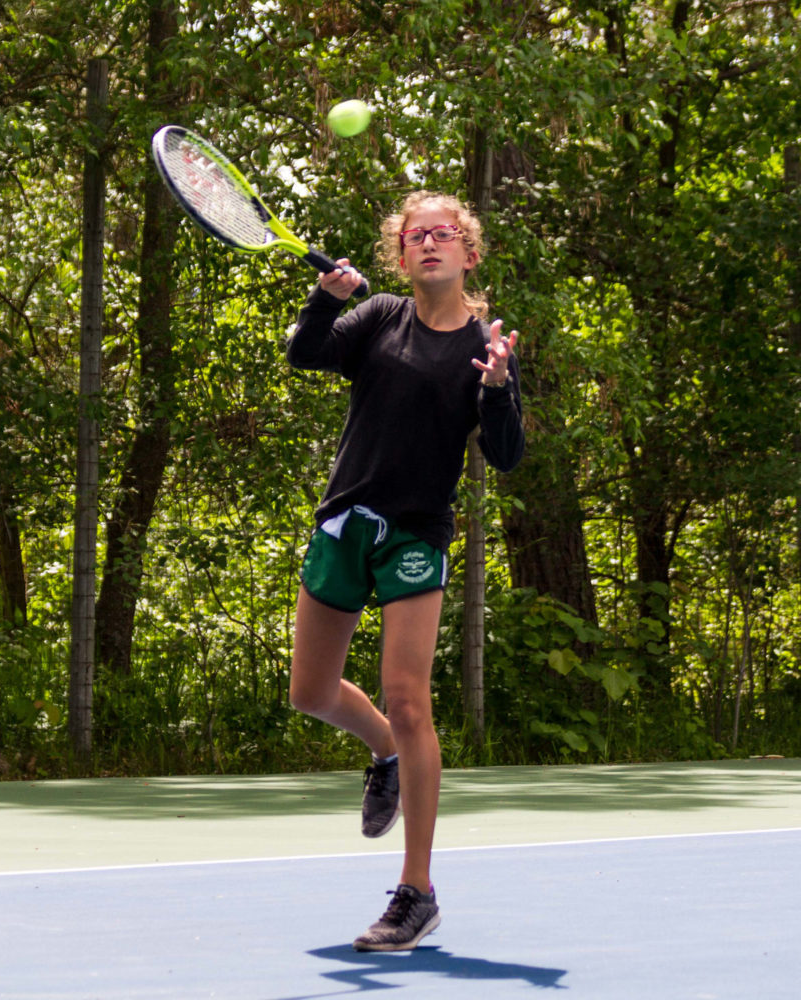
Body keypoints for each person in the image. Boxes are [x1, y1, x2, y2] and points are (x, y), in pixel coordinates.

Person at [284, 191, 525, 951]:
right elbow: (305, 353)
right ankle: (384, 751)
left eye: (443, 235)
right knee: (311, 694)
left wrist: (497, 393)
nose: (429, 244)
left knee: (409, 699)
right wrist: (324, 304)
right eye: (416, 236)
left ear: (469, 253)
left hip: (416, 534)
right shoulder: (379, 316)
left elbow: (509, 455)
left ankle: (416, 891)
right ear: (400, 255)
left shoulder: (485, 347)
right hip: (344, 519)